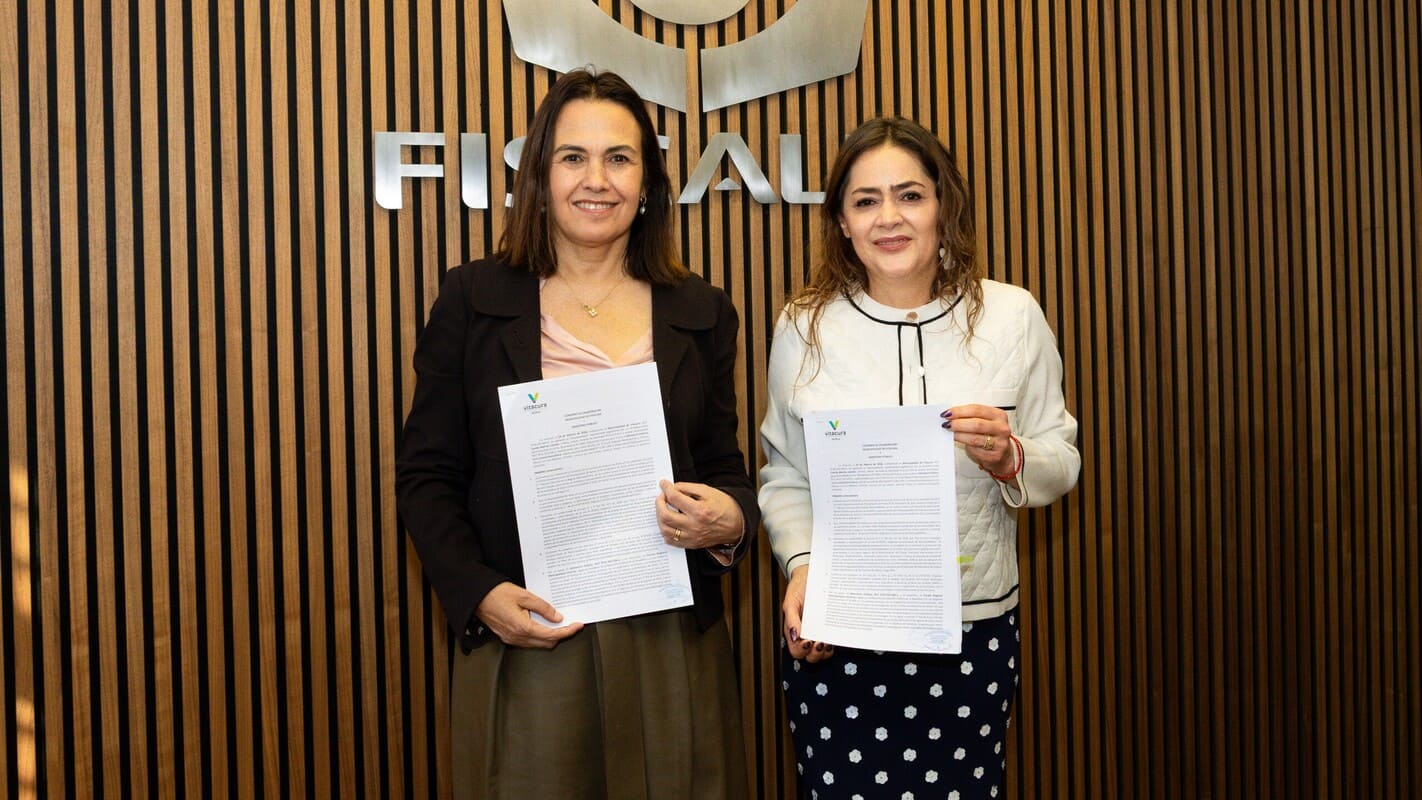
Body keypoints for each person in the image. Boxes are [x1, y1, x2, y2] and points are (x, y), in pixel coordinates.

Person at [396, 68, 758, 799]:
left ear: (648, 181)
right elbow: (427, 475)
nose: (597, 179)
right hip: (532, 633)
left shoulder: (700, 310)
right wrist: (478, 592)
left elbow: (725, 466)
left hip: (668, 636)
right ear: (540, 176)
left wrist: (731, 521)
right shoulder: (473, 300)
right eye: (573, 157)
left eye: (619, 158)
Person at [758, 116, 1080, 798]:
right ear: (841, 222)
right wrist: (802, 568)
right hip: (839, 636)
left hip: (971, 633)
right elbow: (784, 474)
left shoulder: (1013, 316)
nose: (889, 218)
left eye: (909, 195)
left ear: (943, 206)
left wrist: (1011, 456)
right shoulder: (802, 326)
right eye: (865, 201)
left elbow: (1062, 458)